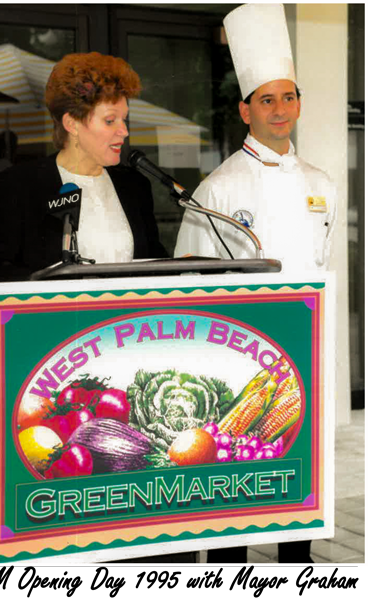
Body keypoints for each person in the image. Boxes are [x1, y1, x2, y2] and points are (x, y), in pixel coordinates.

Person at [175, 4, 336, 563]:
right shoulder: (217, 187)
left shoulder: (322, 183)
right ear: (245, 110)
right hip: (237, 355)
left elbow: (322, 266)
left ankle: (299, 562)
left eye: (288, 96)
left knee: (302, 474)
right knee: (236, 475)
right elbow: (189, 277)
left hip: (305, 349)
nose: (280, 108)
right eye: (266, 99)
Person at [0, 52, 167, 282]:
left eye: (124, 120)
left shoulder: (135, 186)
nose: (124, 131)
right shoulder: (19, 185)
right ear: (72, 123)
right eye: (110, 120)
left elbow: (154, 263)